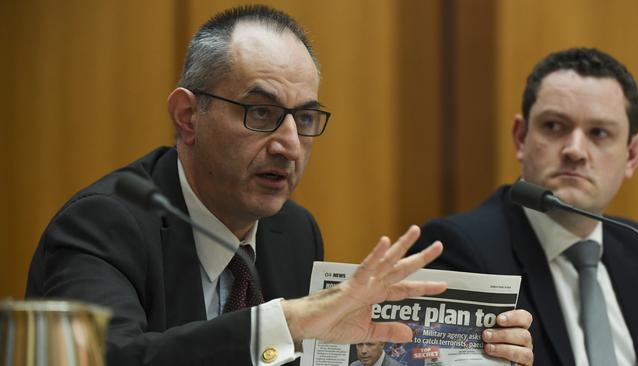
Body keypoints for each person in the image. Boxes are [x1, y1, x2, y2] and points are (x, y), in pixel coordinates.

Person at [25, 5, 532, 366]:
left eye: (305, 118)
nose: (289, 144)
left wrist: (418, 354)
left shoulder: (292, 230)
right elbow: (108, 360)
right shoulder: (101, 225)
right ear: (187, 117)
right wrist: (285, 323)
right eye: (261, 112)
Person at [410, 47, 638, 366]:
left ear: (632, 155)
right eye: (554, 126)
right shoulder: (459, 251)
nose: (575, 150)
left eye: (599, 133)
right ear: (521, 137)